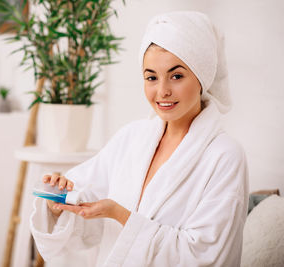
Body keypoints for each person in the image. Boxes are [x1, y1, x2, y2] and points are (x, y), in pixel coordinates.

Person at [30, 11, 249, 267]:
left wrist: (120, 215)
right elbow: (87, 210)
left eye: (176, 76)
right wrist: (61, 201)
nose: (162, 91)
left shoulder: (225, 156)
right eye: (151, 77)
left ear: (202, 77)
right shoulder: (132, 137)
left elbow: (205, 256)